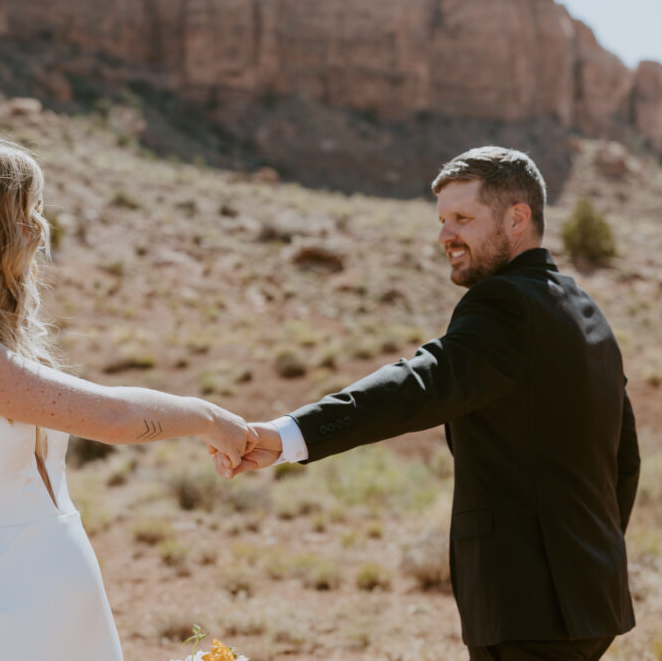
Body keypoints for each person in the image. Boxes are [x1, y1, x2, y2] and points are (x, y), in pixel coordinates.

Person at [221, 147, 640, 660]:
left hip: (528, 604)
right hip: (590, 598)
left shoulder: (504, 304)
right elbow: (624, 459)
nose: (445, 236)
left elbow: (421, 383)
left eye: (462, 218)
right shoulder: (584, 311)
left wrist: (289, 435)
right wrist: (588, 555)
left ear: (517, 218)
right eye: (442, 220)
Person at [0, 135, 256, 660]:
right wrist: (208, 418)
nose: (39, 228)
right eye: (26, 210)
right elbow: (112, 417)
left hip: (64, 609)